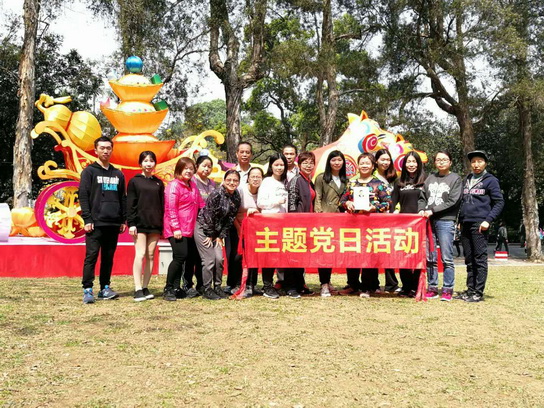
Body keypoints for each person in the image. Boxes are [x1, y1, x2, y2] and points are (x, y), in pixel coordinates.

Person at [80, 136, 126, 304]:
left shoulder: (118, 174)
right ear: (96, 150)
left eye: (108, 148)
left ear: (112, 150)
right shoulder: (89, 172)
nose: (105, 151)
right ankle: (87, 289)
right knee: (91, 256)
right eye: (102, 148)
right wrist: (87, 219)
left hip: (113, 223)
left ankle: (105, 288)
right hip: (95, 223)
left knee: (108, 257)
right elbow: (83, 196)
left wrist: (123, 220)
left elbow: (122, 198)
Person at [456, 150, 504, 302]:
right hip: (465, 223)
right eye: (473, 162)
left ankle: (478, 292)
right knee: (469, 259)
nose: (476, 164)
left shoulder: (491, 180)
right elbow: (462, 202)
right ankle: (470, 290)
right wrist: (459, 221)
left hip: (480, 224)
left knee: (479, 259)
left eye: (479, 161)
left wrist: (488, 220)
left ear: (485, 163)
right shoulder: (467, 179)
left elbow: (499, 202)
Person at [341, 152, 391, 298]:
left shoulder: (379, 184)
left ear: (373, 165)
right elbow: (342, 200)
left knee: (369, 255)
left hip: (372, 226)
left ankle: (368, 286)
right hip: (353, 225)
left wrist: (374, 207)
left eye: (367, 163)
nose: (364, 166)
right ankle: (353, 284)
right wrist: (347, 203)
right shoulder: (351, 183)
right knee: (352, 254)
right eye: (362, 163)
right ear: (358, 165)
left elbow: (388, 202)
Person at [418, 150, 462, 301]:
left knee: (446, 257)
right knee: (430, 256)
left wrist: (432, 210)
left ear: (450, 162)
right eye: (438, 160)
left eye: (444, 159)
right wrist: (421, 209)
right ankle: (432, 287)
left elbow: (453, 201)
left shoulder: (455, 179)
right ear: (434, 162)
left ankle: (448, 289)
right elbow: (422, 197)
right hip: (428, 220)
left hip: (445, 220)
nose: (441, 162)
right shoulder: (430, 178)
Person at [195, 169, 241, 300]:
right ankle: (206, 288)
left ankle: (217, 287)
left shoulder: (236, 196)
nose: (232, 183)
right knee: (209, 259)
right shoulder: (216, 194)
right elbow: (209, 215)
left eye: (235, 180)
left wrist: (220, 236)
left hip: (216, 232)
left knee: (219, 259)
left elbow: (230, 219)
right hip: (203, 228)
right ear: (224, 181)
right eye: (229, 180)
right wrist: (210, 235)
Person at [163, 157, 205, 301]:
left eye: (191, 168)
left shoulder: (193, 185)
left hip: (190, 229)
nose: (188, 171)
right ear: (179, 169)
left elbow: (201, 205)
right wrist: (176, 228)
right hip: (176, 228)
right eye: (186, 168)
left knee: (184, 258)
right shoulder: (174, 185)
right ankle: (168, 288)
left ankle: (177, 288)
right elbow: (171, 208)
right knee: (180, 256)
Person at [127, 151, 164, 302]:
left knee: (150, 255)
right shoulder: (134, 182)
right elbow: (130, 204)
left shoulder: (158, 183)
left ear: (155, 163)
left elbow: (162, 204)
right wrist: (131, 223)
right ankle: (137, 288)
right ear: (140, 163)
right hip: (139, 224)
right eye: (145, 161)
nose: (148, 163)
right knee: (140, 254)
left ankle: (145, 287)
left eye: (151, 161)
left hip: (155, 224)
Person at [390, 151, 426, 297]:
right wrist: (393, 214)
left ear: (419, 163)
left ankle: (415, 286)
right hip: (403, 226)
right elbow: (393, 202)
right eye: (408, 162)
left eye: (414, 162)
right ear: (404, 164)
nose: (411, 165)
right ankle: (406, 286)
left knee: (417, 255)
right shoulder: (399, 182)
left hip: (420, 224)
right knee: (404, 255)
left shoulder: (426, 180)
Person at [181, 155, 217, 298]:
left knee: (202, 257)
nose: (207, 169)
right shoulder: (192, 181)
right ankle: (187, 285)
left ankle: (201, 284)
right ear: (197, 166)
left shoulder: (212, 184)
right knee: (190, 255)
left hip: (207, 225)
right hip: (191, 222)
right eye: (204, 166)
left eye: (209, 166)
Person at [314, 150, 348, 296]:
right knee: (325, 251)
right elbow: (317, 198)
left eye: (339, 160)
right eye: (333, 160)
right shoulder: (321, 178)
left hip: (341, 219)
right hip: (325, 218)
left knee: (336, 251)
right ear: (329, 162)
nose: (337, 163)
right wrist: (319, 215)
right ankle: (324, 283)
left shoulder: (346, 180)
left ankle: (330, 282)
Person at [257, 153, 290, 299]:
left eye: (282, 165)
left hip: (283, 223)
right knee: (269, 255)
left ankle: (280, 283)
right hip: (269, 224)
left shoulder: (285, 182)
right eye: (276, 165)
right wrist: (277, 201)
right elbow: (260, 203)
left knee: (280, 255)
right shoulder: (267, 182)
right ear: (271, 166)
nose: (279, 168)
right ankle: (267, 286)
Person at [286, 151, 316, 296]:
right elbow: (292, 204)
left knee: (301, 255)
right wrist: (295, 223)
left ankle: (300, 284)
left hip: (308, 223)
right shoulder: (296, 180)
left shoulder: (309, 181)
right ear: (299, 164)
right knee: (293, 254)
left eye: (311, 163)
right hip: (296, 224)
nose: (308, 165)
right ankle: (291, 287)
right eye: (305, 163)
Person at [224, 142, 253, 293]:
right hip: (232, 220)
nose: (245, 154)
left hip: (251, 221)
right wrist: (235, 223)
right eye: (242, 151)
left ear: (251, 154)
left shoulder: (255, 172)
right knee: (233, 254)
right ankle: (232, 283)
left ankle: (249, 284)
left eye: (247, 152)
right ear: (236, 154)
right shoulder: (231, 173)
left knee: (250, 253)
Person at [233, 167, 264, 297]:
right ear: (248, 178)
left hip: (256, 230)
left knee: (254, 257)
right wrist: (239, 229)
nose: (256, 179)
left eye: (258, 177)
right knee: (238, 257)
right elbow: (233, 212)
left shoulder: (263, 191)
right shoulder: (241, 190)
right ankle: (237, 284)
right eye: (253, 176)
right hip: (238, 227)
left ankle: (252, 285)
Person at [374, 148, 400, 293]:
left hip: (392, 219)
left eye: (388, 159)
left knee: (389, 249)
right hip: (375, 218)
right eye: (382, 159)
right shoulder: (371, 177)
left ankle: (391, 283)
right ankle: (373, 283)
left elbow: (399, 196)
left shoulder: (395, 178)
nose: (385, 162)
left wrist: (397, 209)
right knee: (374, 249)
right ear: (376, 161)